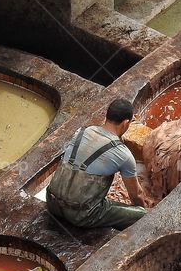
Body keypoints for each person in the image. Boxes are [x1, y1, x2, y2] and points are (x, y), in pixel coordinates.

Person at [46, 98, 153, 230]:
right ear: (126, 123)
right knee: (144, 216)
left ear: (107, 116)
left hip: (52, 203)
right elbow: (136, 195)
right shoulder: (123, 154)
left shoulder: (81, 132)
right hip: (81, 215)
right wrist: (142, 211)